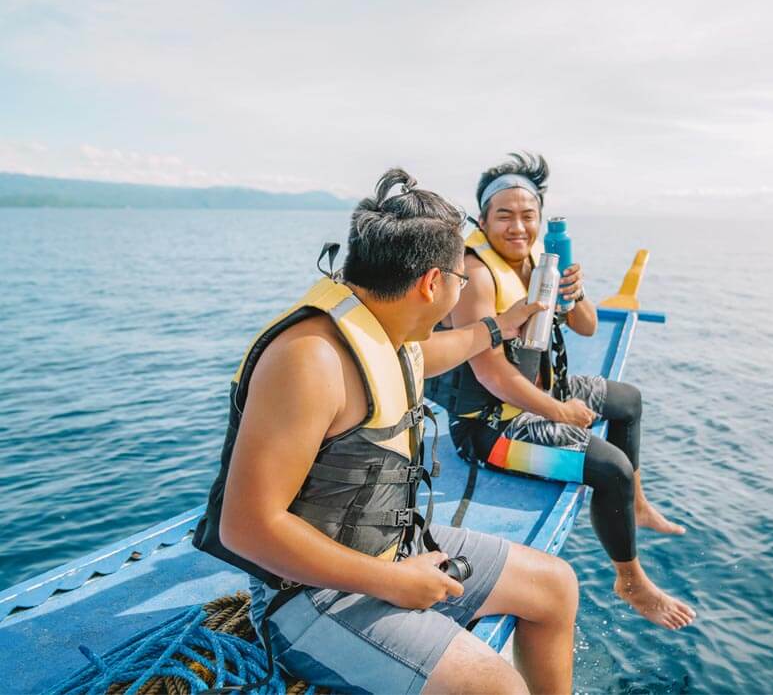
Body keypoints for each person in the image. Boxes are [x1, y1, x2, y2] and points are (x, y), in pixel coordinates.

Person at [192, 169, 578, 694]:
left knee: (555, 586)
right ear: (433, 283)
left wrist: (499, 325)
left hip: (391, 547)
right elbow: (246, 527)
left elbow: (432, 355)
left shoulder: (383, 326)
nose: (460, 290)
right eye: (459, 281)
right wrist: (394, 581)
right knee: (498, 689)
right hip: (311, 595)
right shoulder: (310, 360)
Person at [426, 153, 696, 630]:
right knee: (610, 467)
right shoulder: (477, 276)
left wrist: (577, 294)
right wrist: (558, 412)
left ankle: (635, 501)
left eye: (528, 215)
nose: (517, 226)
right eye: (504, 215)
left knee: (627, 400)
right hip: (490, 427)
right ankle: (630, 579)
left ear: (541, 219)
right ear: (483, 220)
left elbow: (587, 328)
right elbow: (490, 375)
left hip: (540, 389)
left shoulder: (540, 260)